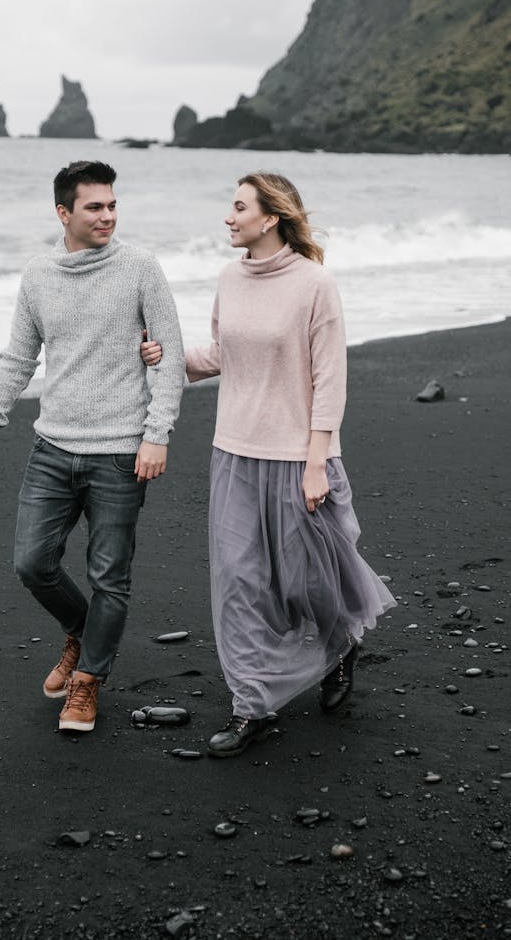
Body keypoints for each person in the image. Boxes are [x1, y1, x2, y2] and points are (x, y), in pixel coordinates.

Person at [142, 172, 394, 757]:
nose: (228, 218)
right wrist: (167, 357)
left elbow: (330, 382)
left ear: (270, 217)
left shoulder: (315, 285)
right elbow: (226, 354)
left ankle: (339, 648)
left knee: (310, 581)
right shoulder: (230, 278)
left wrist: (315, 463)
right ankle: (251, 706)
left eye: (238, 208)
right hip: (233, 452)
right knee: (239, 583)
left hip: (299, 457)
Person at [0, 160, 184, 735]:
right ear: (64, 213)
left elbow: (171, 357)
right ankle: (84, 631)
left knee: (111, 576)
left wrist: (156, 434)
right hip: (52, 449)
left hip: (120, 454)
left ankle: (87, 682)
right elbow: (18, 358)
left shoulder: (141, 268)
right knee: (32, 564)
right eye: (95, 207)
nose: (108, 215)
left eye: (113, 205)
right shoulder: (39, 275)